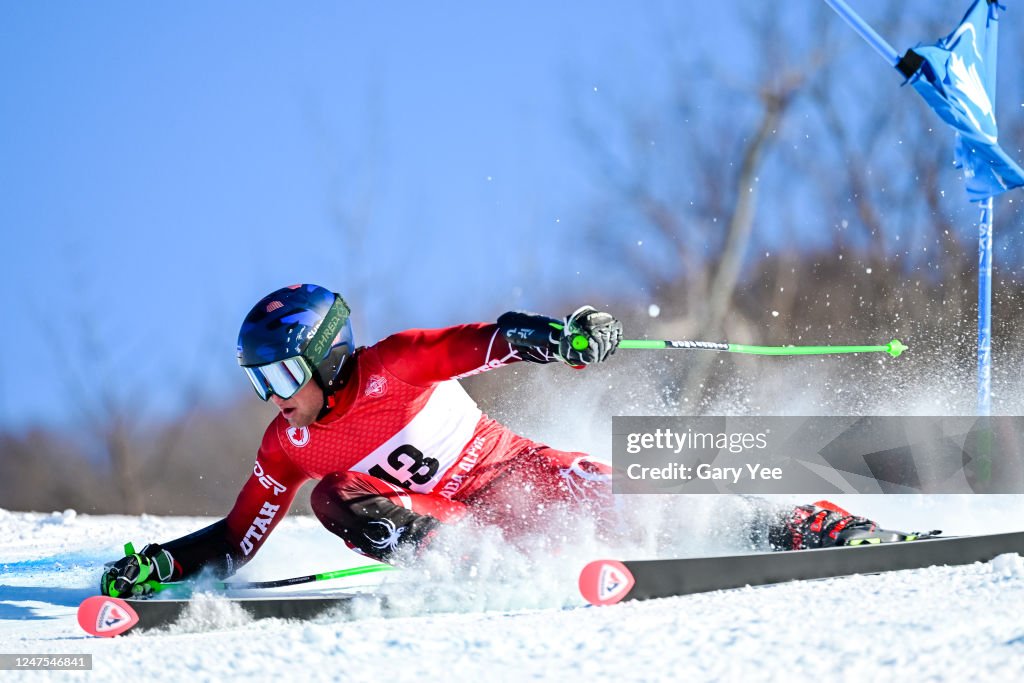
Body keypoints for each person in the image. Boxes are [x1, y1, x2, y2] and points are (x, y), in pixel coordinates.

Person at [101, 284, 905, 598]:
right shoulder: (291, 447)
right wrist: (165, 563)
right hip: (462, 529)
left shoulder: (397, 365)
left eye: (279, 378)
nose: (273, 402)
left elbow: (488, 338)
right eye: (259, 386)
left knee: (669, 508)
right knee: (332, 494)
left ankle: (817, 524)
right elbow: (240, 537)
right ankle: (469, 567)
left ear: (324, 356)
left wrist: (563, 337)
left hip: (526, 478)